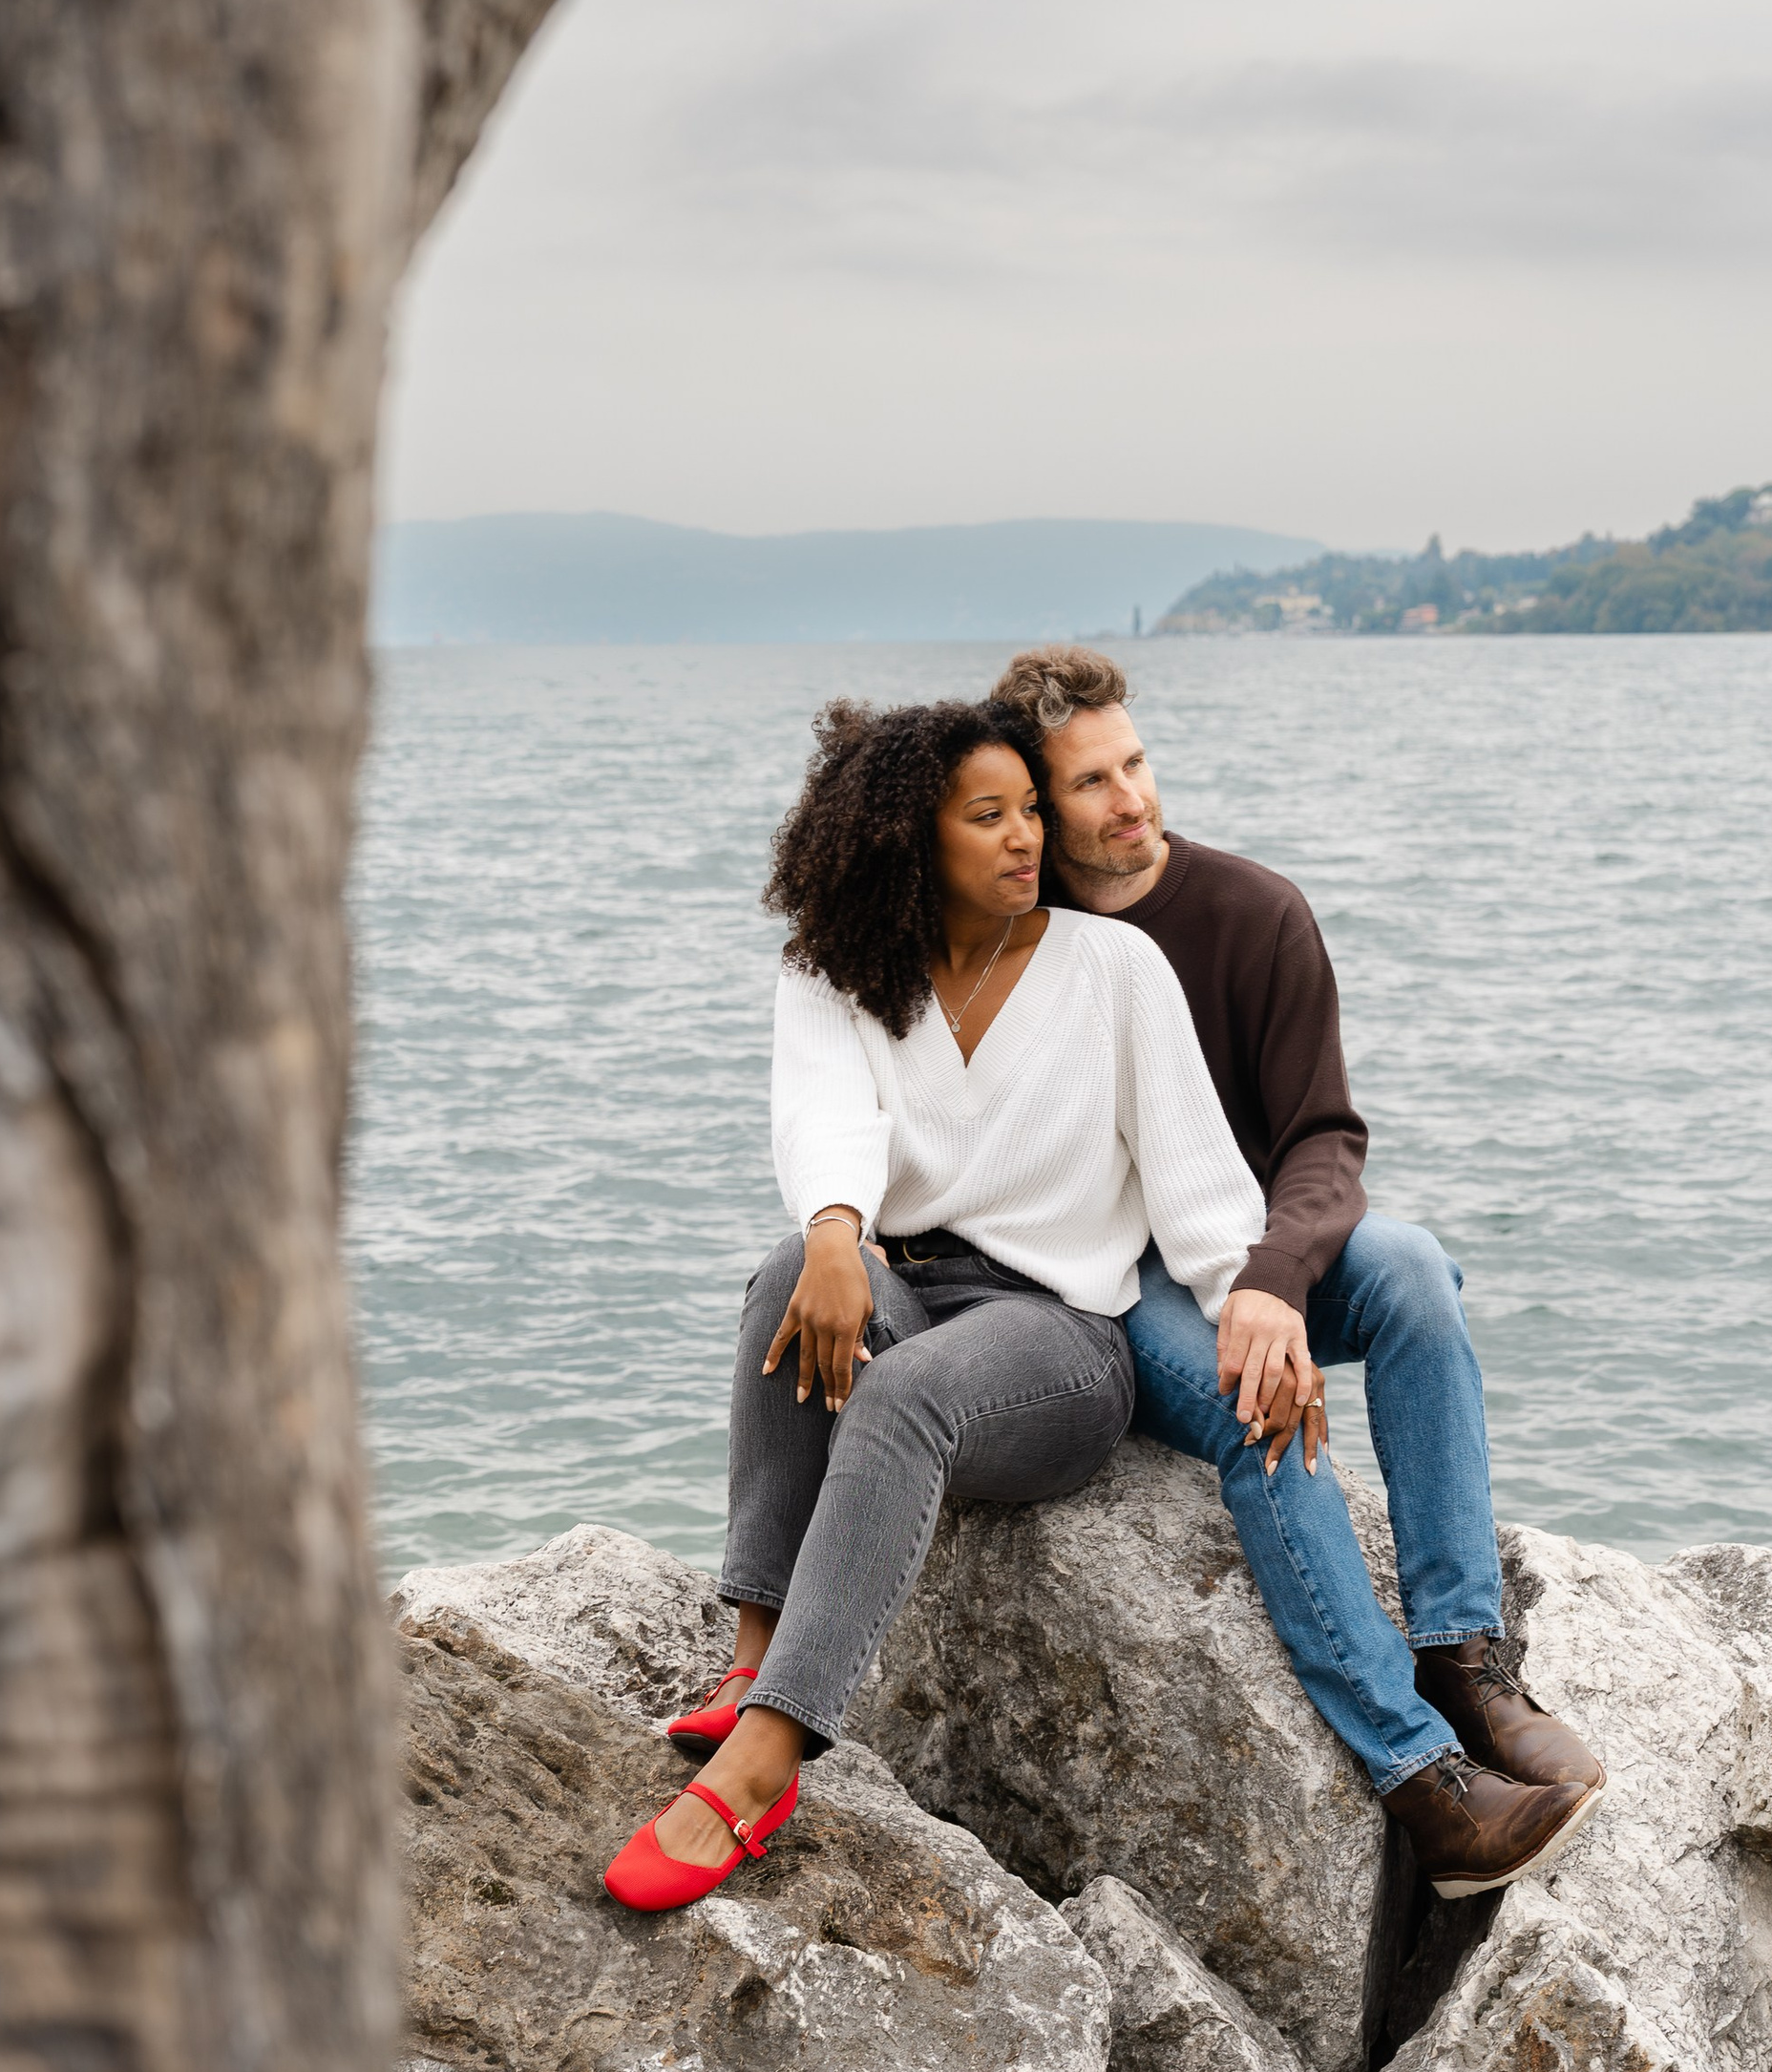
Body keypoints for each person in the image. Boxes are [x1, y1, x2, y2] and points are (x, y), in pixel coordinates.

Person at [602, 693, 1280, 1909]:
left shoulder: (1115, 968)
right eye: (989, 816)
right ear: (912, 838)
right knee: (783, 1280)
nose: (1026, 837)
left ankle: (772, 1756)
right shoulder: (837, 969)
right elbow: (827, 1118)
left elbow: (1197, 1179)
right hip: (905, 1281)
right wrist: (830, 1230)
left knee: (905, 1392)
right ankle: (751, 1657)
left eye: (1030, 810)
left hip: (1059, 1340)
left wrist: (1254, 1308)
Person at [985, 641, 1607, 1892]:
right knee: (1253, 1399)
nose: (1134, 799)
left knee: (1418, 1275)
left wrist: (1271, 1280)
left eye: (1137, 763)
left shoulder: (1251, 913)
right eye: (1094, 784)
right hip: (1121, 1282)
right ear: (1042, 816)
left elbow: (1325, 1137)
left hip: (1267, 1248)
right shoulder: (1020, 948)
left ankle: (1462, 1654)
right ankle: (1423, 1783)